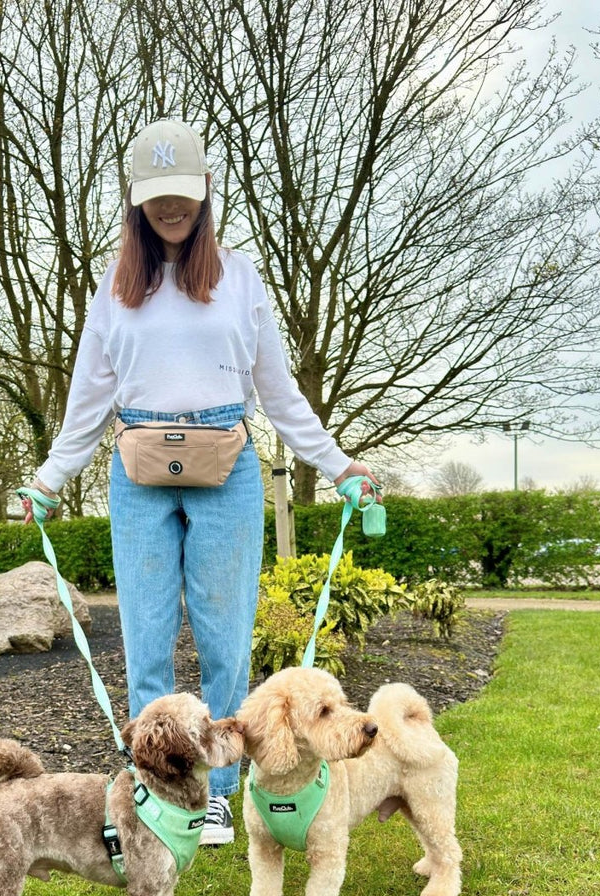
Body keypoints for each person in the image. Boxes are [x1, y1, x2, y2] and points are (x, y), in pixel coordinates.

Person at [22, 119, 378, 845]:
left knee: (225, 641)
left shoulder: (240, 279)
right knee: (145, 638)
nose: (172, 210)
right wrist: (51, 477)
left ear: (206, 191)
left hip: (228, 467)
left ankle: (217, 792)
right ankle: (160, 796)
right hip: (139, 473)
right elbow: (90, 396)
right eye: (157, 198)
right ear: (136, 202)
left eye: (182, 194)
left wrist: (338, 463)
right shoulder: (116, 288)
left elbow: (279, 393)